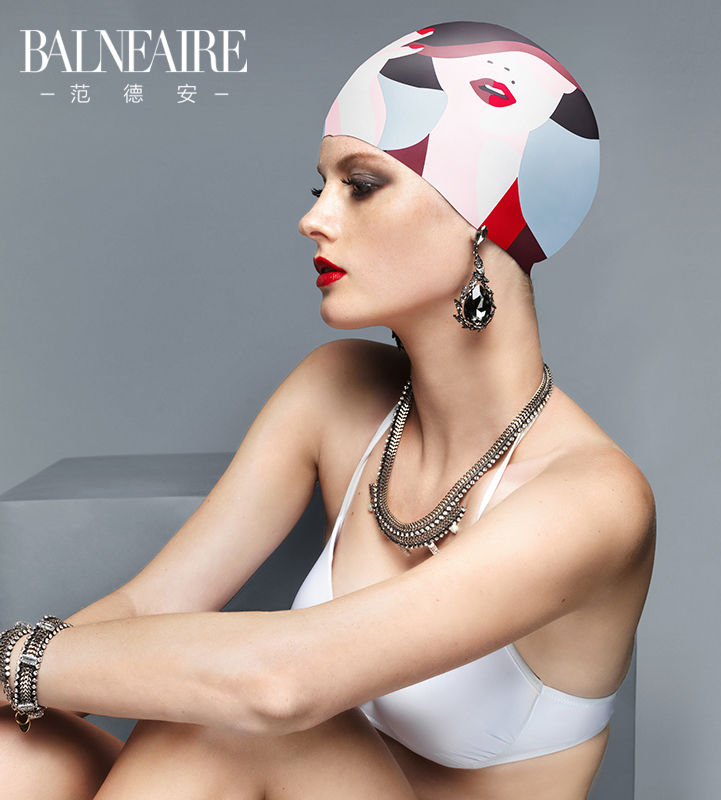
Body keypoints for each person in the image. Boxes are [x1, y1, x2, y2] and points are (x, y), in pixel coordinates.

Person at [0, 21, 655, 800]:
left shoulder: (594, 499)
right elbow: (151, 603)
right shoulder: (336, 390)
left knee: (234, 714)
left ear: (484, 215)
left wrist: (16, 659)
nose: (314, 219)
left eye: (362, 184)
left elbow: (282, 685)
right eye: (323, 189)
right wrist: (19, 686)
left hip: (270, 751)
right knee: (14, 747)